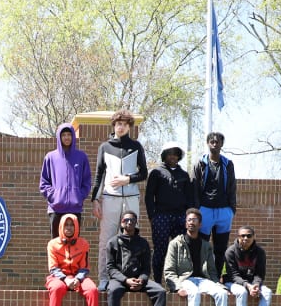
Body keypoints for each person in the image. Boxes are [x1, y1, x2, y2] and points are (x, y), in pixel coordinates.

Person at [163, 208, 232, 306]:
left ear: (200, 224)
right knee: (193, 294)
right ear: (185, 223)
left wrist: (220, 286)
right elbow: (169, 271)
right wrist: (177, 287)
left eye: (194, 220)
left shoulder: (206, 245)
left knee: (221, 294)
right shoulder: (175, 243)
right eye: (189, 220)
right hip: (185, 280)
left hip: (203, 280)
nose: (191, 222)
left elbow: (213, 272)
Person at [91, 110, 147, 288]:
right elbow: (99, 175)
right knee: (106, 239)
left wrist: (128, 179)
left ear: (129, 126)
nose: (121, 127)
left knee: (133, 239)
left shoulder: (136, 146)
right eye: (118, 124)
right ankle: (104, 279)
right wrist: (95, 199)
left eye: (124, 124)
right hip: (110, 198)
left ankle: (134, 278)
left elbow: (144, 173)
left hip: (130, 198)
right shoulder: (105, 147)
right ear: (114, 126)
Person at [103, 211, 168, 306]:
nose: (130, 222)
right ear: (122, 222)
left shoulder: (143, 243)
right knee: (112, 291)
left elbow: (146, 268)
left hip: (139, 279)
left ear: (136, 222)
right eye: (126, 220)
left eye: (133, 220)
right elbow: (110, 268)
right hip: (120, 280)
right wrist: (126, 280)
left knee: (160, 291)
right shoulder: (112, 242)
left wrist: (141, 280)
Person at [45, 213, 100, 306]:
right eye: (66, 225)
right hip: (59, 277)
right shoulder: (52, 244)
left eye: (72, 225)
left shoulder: (83, 244)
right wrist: (66, 279)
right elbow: (53, 267)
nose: (69, 228)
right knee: (56, 289)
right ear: (61, 227)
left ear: (76, 226)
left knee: (92, 290)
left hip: (78, 277)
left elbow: (85, 266)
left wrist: (77, 279)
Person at [145, 142, 193, 284]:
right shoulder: (156, 172)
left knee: (181, 249)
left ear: (178, 156)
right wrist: (152, 216)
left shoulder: (184, 175)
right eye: (169, 153)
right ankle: (158, 282)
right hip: (161, 216)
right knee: (160, 250)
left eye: (175, 154)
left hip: (180, 217)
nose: (172, 156)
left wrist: (187, 216)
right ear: (164, 156)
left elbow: (189, 197)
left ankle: (179, 282)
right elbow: (149, 196)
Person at [192, 131, 237, 276]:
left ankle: (216, 277)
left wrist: (231, 209)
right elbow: (194, 188)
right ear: (207, 143)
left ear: (222, 144)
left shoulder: (228, 164)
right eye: (212, 141)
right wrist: (197, 210)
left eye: (217, 142)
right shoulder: (200, 164)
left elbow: (232, 186)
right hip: (205, 210)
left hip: (224, 211)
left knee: (220, 248)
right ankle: (199, 275)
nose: (214, 144)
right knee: (201, 246)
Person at [224, 225, 274, 306]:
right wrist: (248, 286)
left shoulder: (260, 252)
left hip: (252, 283)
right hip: (233, 283)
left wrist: (256, 285)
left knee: (267, 292)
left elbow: (260, 274)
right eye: (242, 236)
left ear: (254, 237)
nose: (245, 238)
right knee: (242, 292)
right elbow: (233, 275)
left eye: (249, 236)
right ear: (238, 237)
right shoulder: (230, 252)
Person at [39, 122, 91, 238]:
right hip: (56, 209)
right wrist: (54, 197)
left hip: (75, 209)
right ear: (59, 137)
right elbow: (44, 183)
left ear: (73, 136)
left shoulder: (81, 157)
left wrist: (78, 196)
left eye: (69, 134)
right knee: (56, 244)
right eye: (63, 135)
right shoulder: (51, 157)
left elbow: (86, 182)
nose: (66, 137)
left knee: (74, 244)